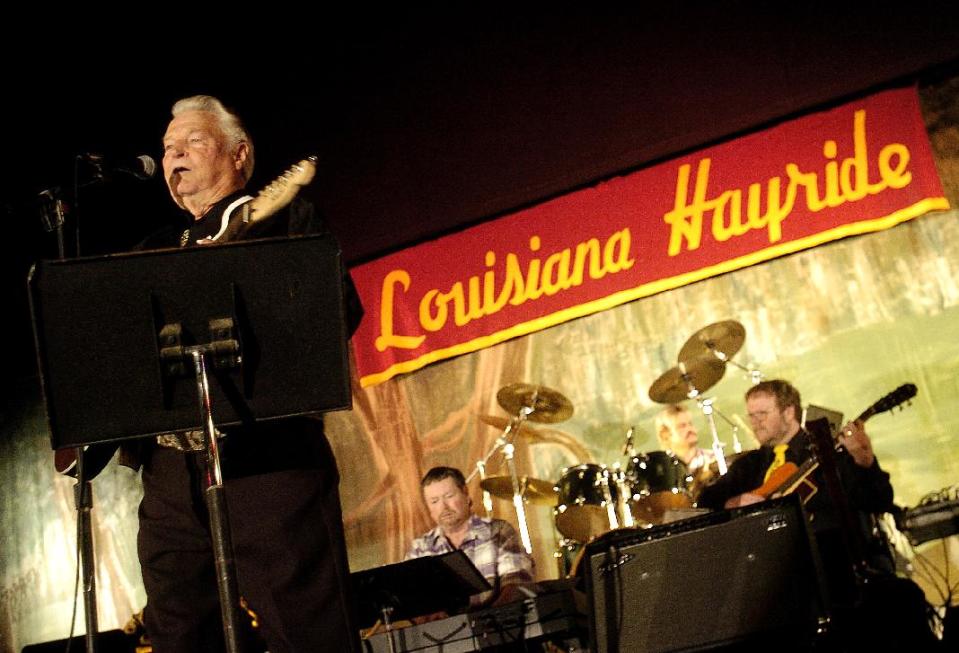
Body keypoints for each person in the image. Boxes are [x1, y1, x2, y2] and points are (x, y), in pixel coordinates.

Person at [120, 95, 364, 652]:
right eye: (167, 149)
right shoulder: (151, 250)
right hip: (169, 479)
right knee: (179, 633)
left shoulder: (283, 218)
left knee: (304, 627)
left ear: (240, 153)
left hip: (265, 459)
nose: (174, 157)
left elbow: (334, 312)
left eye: (192, 143)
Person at [697, 379, 938, 652]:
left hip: (835, 571)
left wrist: (864, 461)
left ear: (789, 413)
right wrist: (740, 501)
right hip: (775, 580)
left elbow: (878, 500)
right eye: (751, 415)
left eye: (762, 414)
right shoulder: (751, 465)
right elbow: (706, 502)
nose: (755, 423)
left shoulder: (827, 449)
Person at [406, 466, 535, 610]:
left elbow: (517, 582)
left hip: (499, 625)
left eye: (449, 496)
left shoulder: (498, 531)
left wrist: (490, 619)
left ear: (465, 494)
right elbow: (412, 601)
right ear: (429, 508)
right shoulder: (420, 548)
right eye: (434, 501)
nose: (443, 506)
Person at [654, 403, 716, 473]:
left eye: (690, 424)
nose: (690, 429)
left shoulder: (713, 459)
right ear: (665, 435)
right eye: (682, 426)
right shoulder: (662, 469)